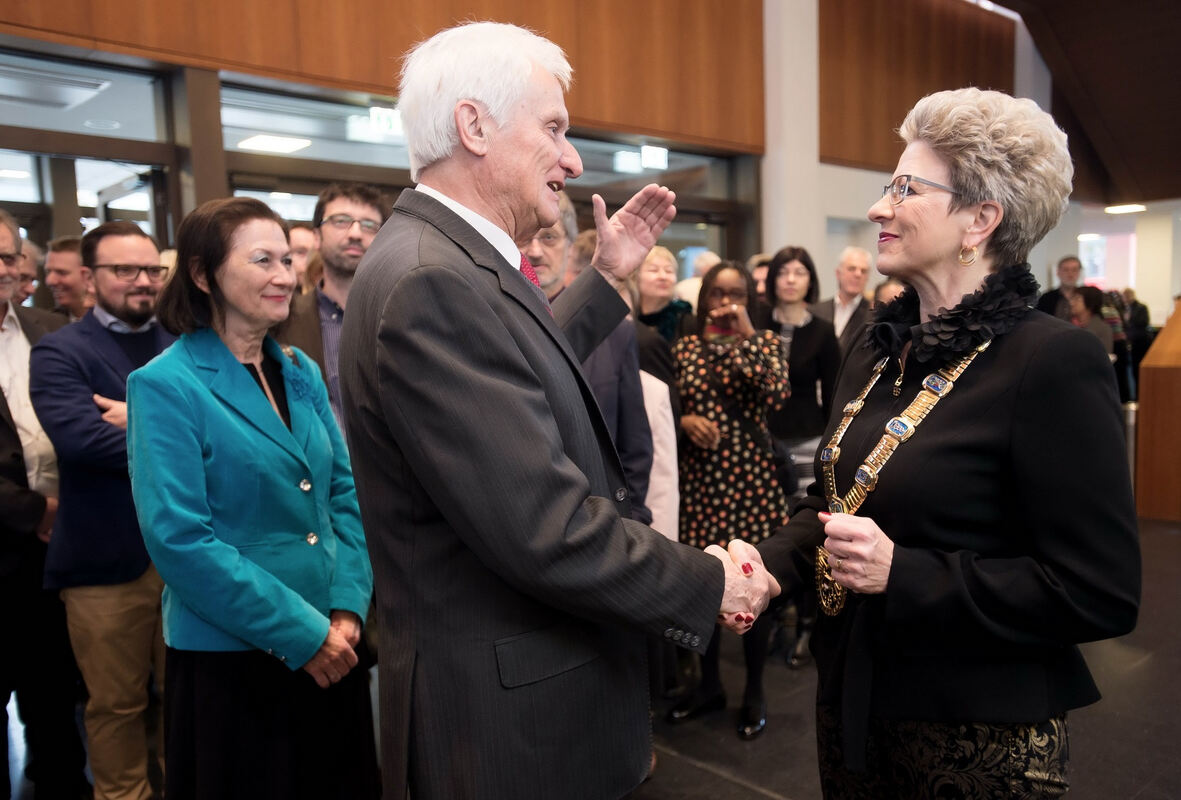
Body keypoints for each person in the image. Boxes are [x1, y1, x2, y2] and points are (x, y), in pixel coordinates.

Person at [338, 21, 778, 800]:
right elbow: (545, 527)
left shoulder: (442, 262)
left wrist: (605, 282)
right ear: (473, 125)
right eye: (554, 130)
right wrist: (707, 583)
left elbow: (510, 364)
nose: (572, 161)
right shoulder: (429, 281)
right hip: (508, 730)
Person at [758, 87, 1140, 797]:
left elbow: (1098, 593)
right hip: (855, 706)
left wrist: (902, 572)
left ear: (981, 218)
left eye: (904, 187)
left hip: (975, 738)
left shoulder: (1050, 361)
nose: (879, 208)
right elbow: (834, 500)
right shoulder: (874, 352)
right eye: (886, 186)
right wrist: (770, 562)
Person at [126, 197, 378, 800]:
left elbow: (342, 492)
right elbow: (180, 542)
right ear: (202, 274)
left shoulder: (299, 370)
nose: (284, 276)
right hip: (235, 661)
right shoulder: (165, 385)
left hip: (332, 645)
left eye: (288, 259)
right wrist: (304, 633)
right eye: (262, 259)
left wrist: (346, 606)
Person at [30, 221, 174, 800]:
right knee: (116, 705)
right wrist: (186, 432)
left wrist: (138, 419)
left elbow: (228, 434)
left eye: (151, 271)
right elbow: (83, 443)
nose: (142, 283)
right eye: (125, 271)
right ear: (90, 278)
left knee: (185, 695)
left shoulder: (187, 341)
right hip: (102, 562)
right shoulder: (59, 351)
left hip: (187, 553)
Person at [667, 261, 790, 740]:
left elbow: (776, 394)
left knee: (751, 585)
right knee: (704, 587)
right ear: (704, 299)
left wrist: (748, 335)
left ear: (750, 299)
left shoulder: (763, 342)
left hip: (751, 484)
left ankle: (755, 689)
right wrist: (684, 424)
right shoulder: (685, 348)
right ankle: (710, 685)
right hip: (702, 484)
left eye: (735, 294)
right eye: (717, 294)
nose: (725, 302)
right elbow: (669, 406)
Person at [0, 212, 90, 800]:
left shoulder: (47, 328)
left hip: (55, 557)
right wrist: (35, 512)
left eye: (10, 258)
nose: (6, 270)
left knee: (55, 696)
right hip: (14, 536)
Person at [280, 183, 388, 430]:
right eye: (341, 221)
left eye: (369, 225)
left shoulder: (402, 316)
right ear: (316, 237)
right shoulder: (283, 319)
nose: (356, 233)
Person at [813, 246, 872, 354]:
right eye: (851, 268)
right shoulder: (816, 310)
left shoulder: (873, 315)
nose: (858, 274)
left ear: (867, 277)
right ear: (838, 273)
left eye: (863, 271)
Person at [635, 245, 695, 343]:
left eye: (669, 271)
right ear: (636, 277)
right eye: (653, 270)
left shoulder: (686, 321)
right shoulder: (626, 319)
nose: (663, 277)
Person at [1071, 284, 1114, 357]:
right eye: (1072, 298)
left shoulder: (1102, 329)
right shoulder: (1067, 324)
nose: (1071, 303)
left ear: (1090, 303)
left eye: (1077, 299)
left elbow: (1104, 358)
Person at [1036, 255, 1082, 320]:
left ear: (1079, 272)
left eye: (1074, 270)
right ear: (1058, 272)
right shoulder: (1046, 298)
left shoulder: (1087, 297)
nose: (1070, 274)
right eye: (1066, 270)